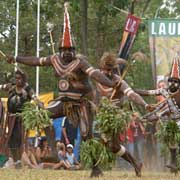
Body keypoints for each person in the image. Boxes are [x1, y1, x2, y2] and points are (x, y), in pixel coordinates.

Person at [6, 3, 116, 142]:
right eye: (63, 50)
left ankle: (94, 163)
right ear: (59, 51)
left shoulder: (80, 62)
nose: (67, 53)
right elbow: (36, 61)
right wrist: (16, 58)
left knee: (86, 135)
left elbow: (95, 74)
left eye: (70, 50)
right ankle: (53, 151)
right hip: (63, 103)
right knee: (42, 115)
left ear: (74, 51)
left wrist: (110, 83)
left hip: (82, 103)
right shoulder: (54, 60)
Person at [95, 52, 153, 177]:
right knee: (112, 146)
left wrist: (145, 105)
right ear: (101, 68)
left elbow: (132, 95)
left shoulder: (119, 81)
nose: (108, 73)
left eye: (110, 70)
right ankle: (136, 163)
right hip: (102, 115)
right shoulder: (96, 76)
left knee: (110, 144)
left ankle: (98, 168)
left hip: (116, 116)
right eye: (105, 70)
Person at [136, 56, 180, 172]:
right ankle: (174, 163)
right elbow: (148, 92)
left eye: (175, 82)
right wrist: (132, 90)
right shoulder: (163, 91)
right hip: (174, 121)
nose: (172, 84)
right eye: (171, 81)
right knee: (171, 138)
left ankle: (174, 163)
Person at [0, 68, 37, 163]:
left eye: (19, 78)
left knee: (19, 138)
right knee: (11, 139)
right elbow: (1, 86)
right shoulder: (11, 86)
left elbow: (34, 97)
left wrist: (39, 103)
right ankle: (16, 161)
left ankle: (19, 160)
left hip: (21, 119)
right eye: (16, 78)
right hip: (11, 118)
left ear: (23, 79)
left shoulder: (27, 89)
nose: (17, 80)